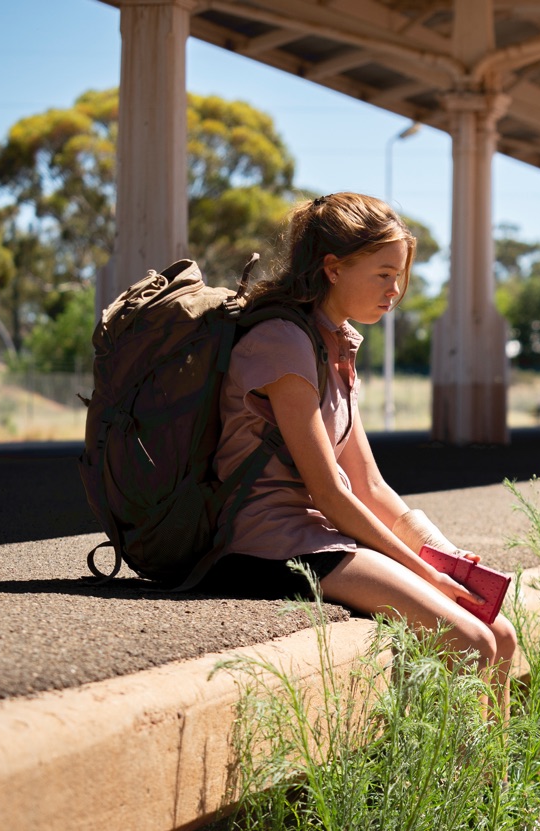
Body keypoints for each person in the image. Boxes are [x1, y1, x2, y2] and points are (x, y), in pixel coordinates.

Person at [205, 191, 516, 715]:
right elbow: (329, 492)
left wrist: (443, 555)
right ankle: (458, 789)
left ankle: (498, 789)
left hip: (319, 536)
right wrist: (422, 573)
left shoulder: (336, 344)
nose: (395, 291)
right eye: (382, 274)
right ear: (332, 267)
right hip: (267, 543)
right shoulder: (282, 343)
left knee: (499, 635)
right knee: (471, 644)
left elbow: (368, 485)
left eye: (400, 276)